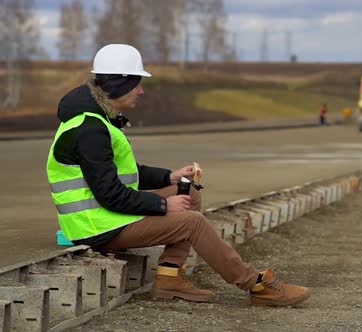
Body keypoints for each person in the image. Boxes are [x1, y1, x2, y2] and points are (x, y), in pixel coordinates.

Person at [46, 44, 310, 307]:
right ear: (120, 84)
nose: (141, 90)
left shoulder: (97, 120)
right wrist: (163, 204)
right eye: (137, 83)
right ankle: (255, 284)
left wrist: (171, 178)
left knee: (188, 191)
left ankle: (169, 277)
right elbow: (110, 194)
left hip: (105, 217)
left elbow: (127, 173)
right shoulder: (90, 129)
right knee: (192, 222)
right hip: (97, 226)